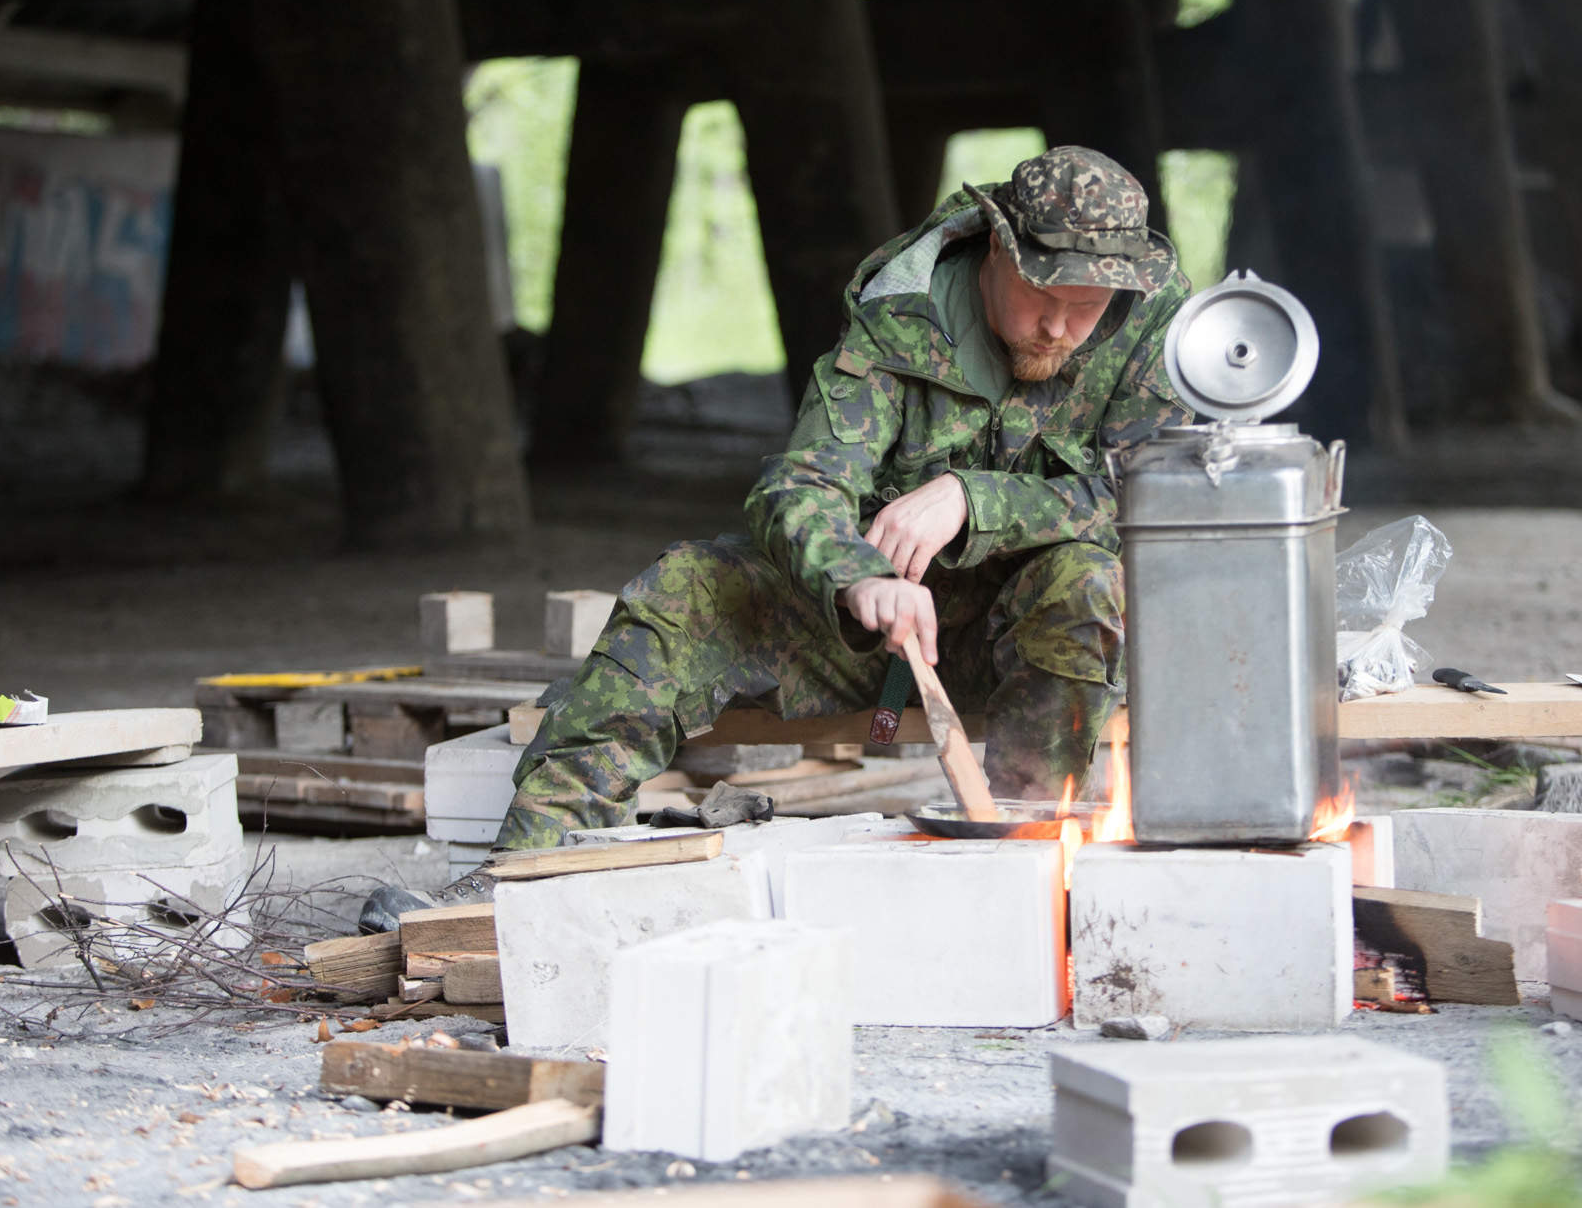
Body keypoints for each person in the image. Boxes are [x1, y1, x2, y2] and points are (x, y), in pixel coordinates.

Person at [366, 146, 1194, 926]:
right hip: (873, 638)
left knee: (1086, 581)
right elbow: (801, 482)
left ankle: (1022, 889)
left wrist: (973, 501)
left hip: (1043, 650)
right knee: (688, 589)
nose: (1059, 329)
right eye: (1041, 300)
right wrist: (855, 575)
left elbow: (1151, 490)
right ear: (996, 252)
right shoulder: (903, 309)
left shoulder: (1152, 325)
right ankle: (512, 887)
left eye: (1083, 311)